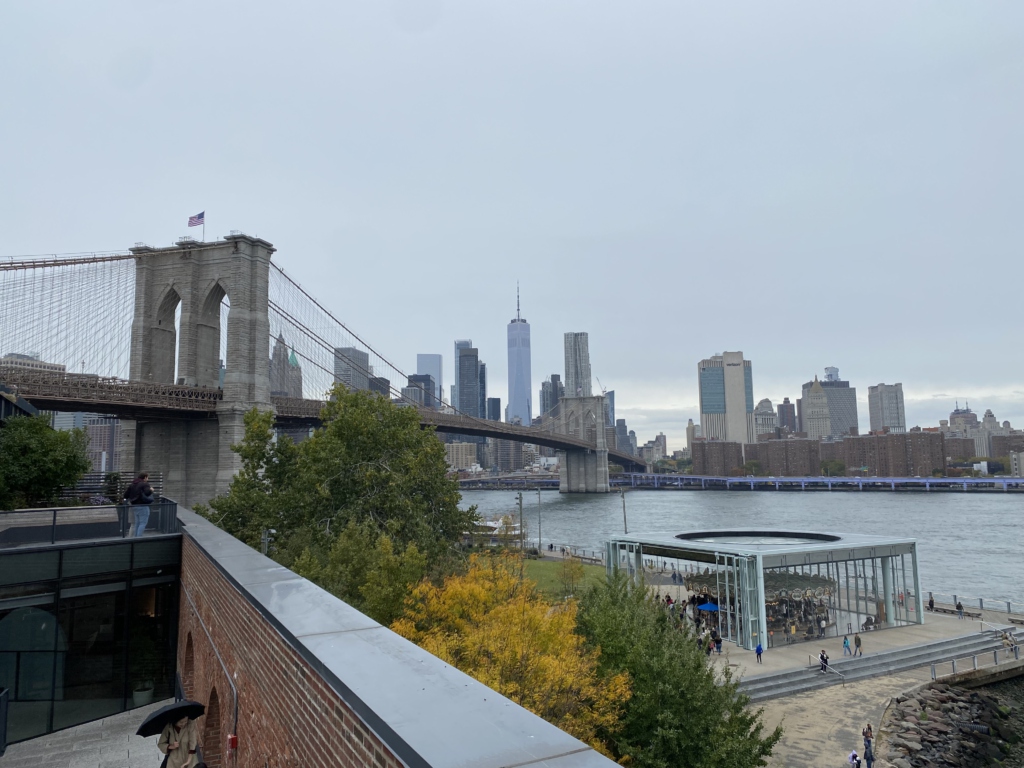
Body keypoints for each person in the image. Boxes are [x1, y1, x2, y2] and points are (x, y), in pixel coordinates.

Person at [123, 472, 155, 538]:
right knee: (143, 523)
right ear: (145, 477)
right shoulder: (144, 484)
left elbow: (125, 495)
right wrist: (151, 490)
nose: (147, 479)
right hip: (143, 506)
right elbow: (147, 493)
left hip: (134, 506)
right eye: (147, 477)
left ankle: (135, 538)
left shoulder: (132, 484)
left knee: (137, 523)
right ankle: (139, 538)